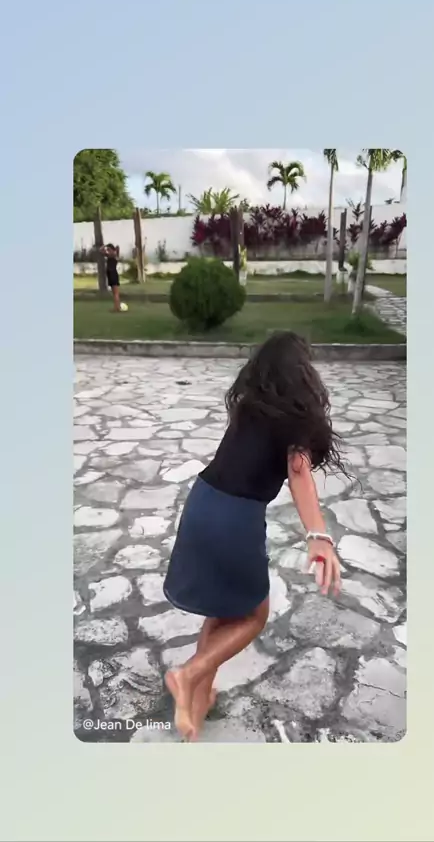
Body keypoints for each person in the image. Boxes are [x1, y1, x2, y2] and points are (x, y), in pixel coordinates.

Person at [163, 332, 347, 740]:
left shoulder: (249, 407)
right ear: (302, 373)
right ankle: (188, 674)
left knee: (222, 610)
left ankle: (197, 702)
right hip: (236, 516)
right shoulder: (293, 420)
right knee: (252, 615)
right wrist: (318, 536)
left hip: (202, 502)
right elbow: (299, 473)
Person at [99, 244, 122, 311]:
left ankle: (117, 308)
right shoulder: (110, 255)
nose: (107, 250)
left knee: (115, 293)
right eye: (107, 249)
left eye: (109, 249)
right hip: (110, 275)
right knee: (114, 293)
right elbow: (101, 251)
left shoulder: (113, 255)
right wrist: (105, 246)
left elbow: (104, 252)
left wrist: (106, 248)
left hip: (113, 275)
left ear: (112, 249)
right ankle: (117, 307)